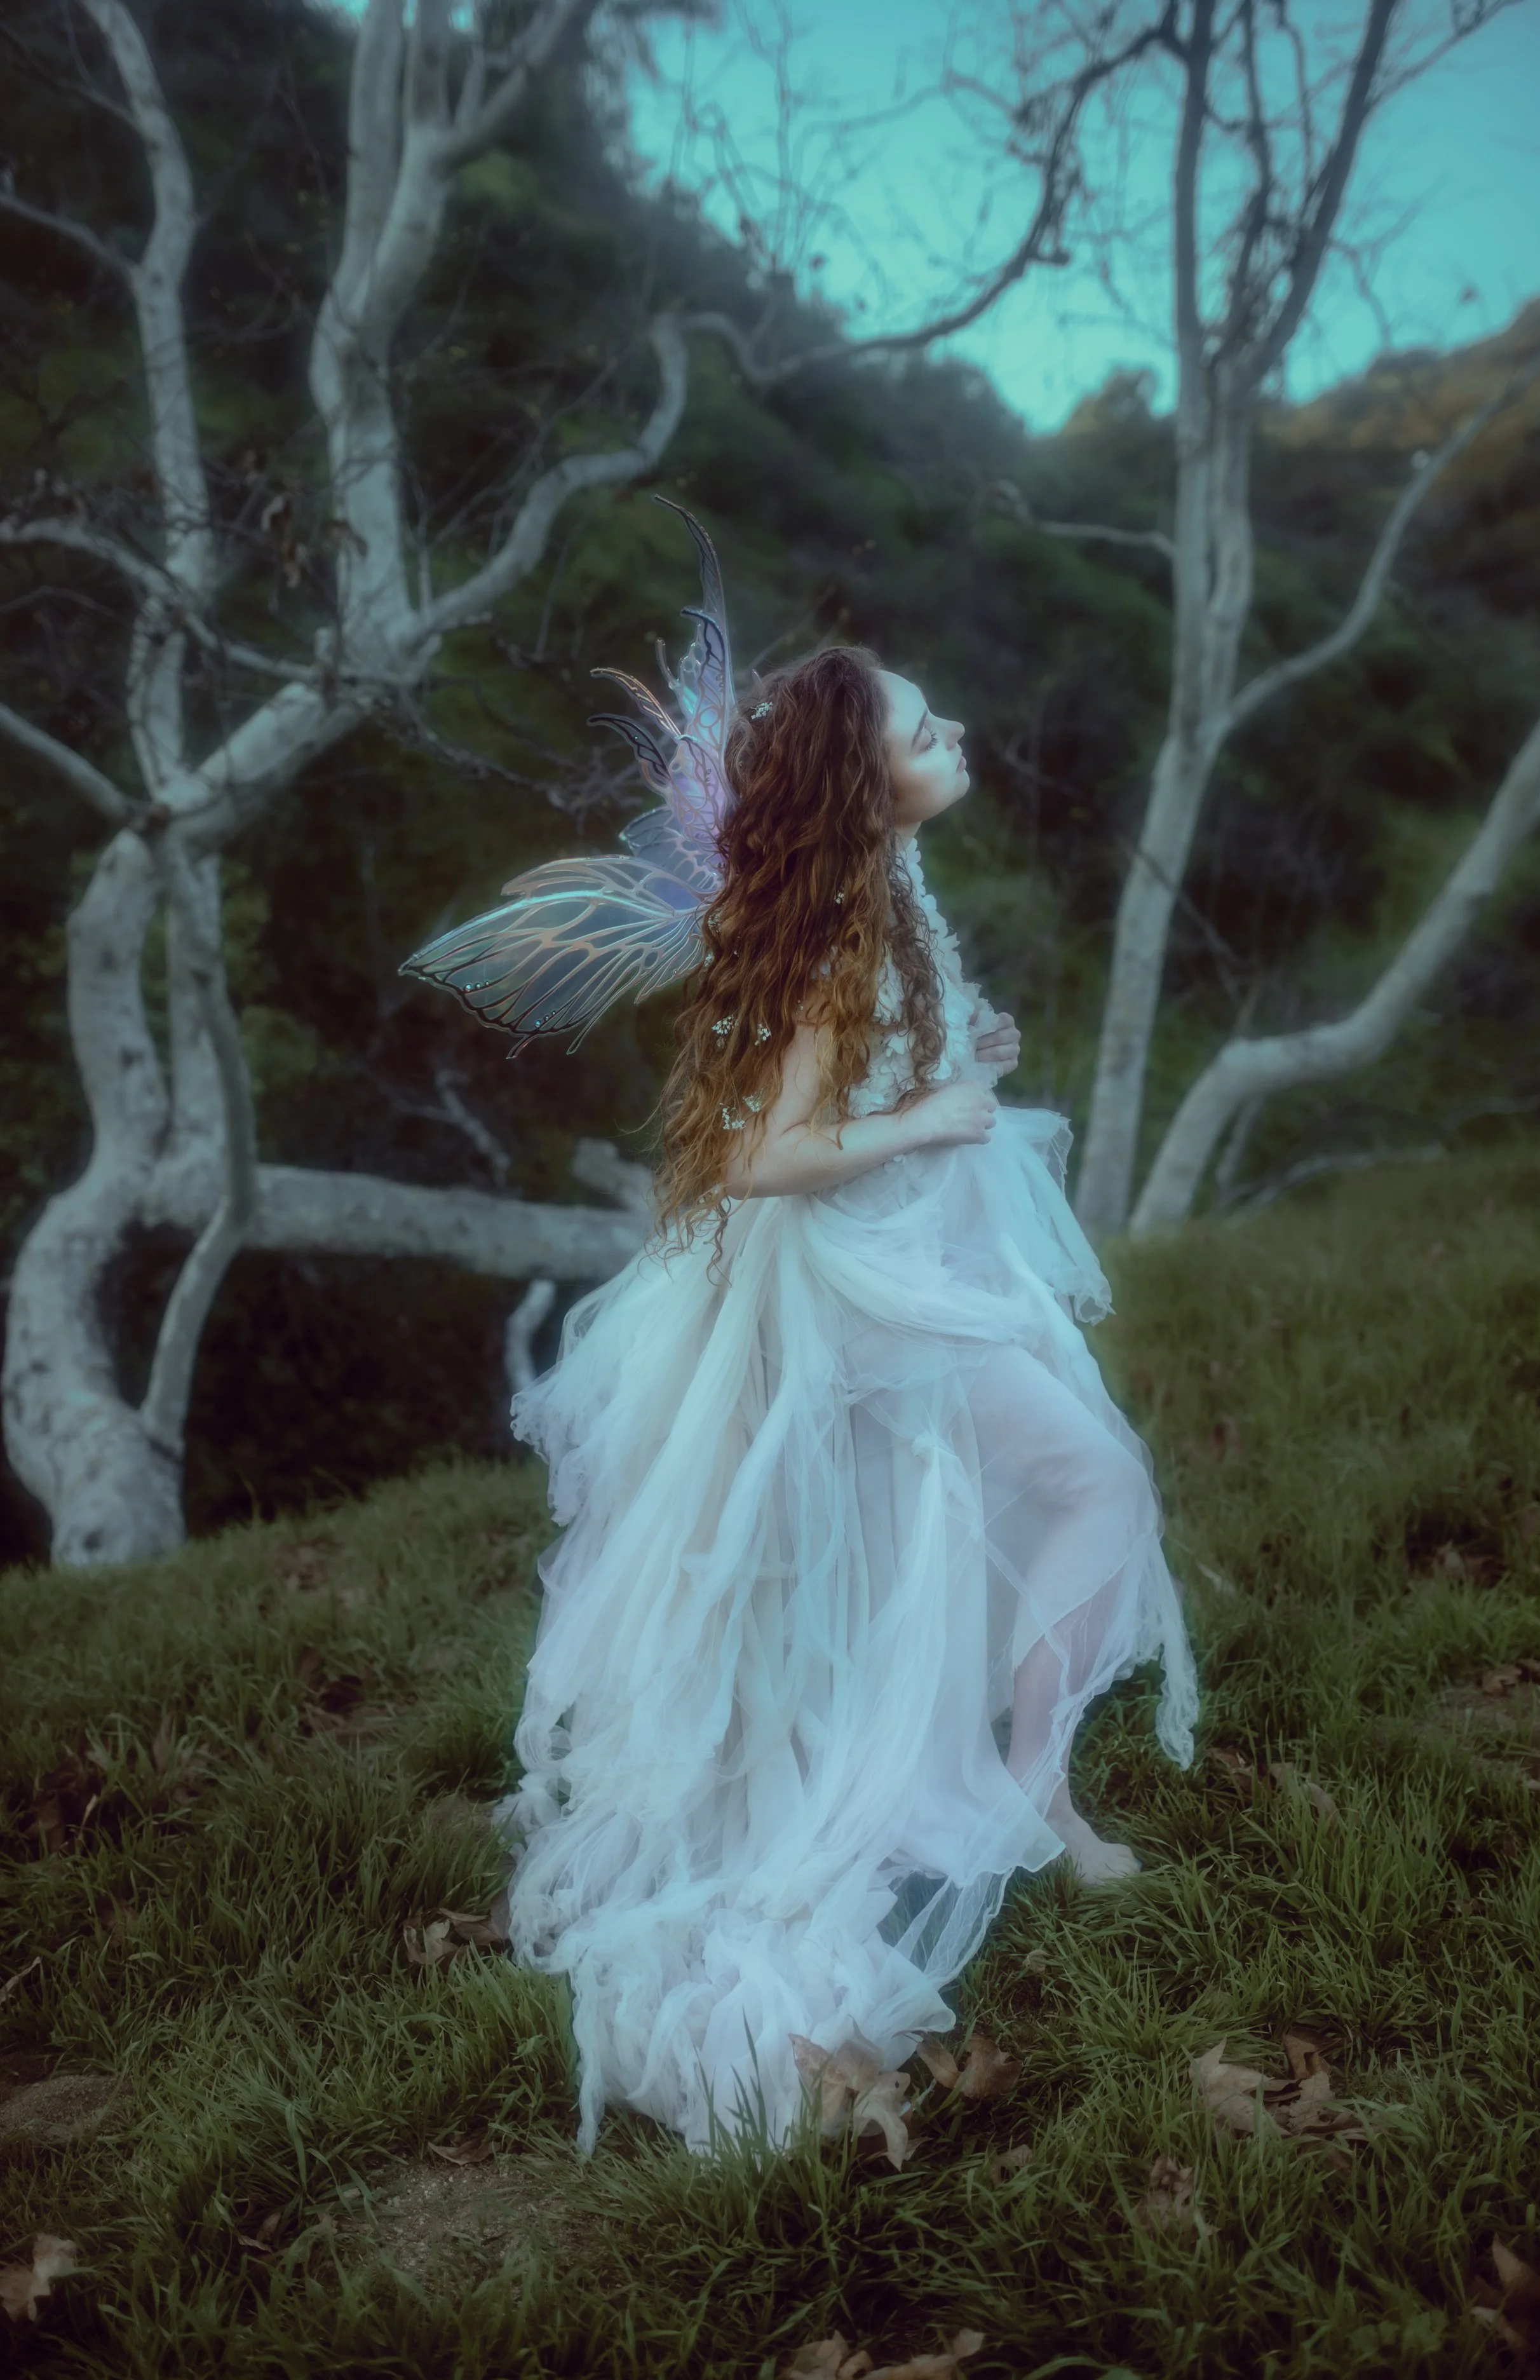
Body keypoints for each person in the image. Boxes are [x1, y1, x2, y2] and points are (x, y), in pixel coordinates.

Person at [403, 517, 1197, 2161]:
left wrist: (944, 1060)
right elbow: (765, 1157)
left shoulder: (877, 899)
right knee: (1092, 1485)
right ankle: (1025, 1787)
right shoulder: (837, 932)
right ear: (865, 779)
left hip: (903, 1275)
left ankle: (1003, 1772)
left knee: (958, 1532)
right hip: (869, 1296)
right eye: (921, 730)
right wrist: (932, 1118)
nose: (950, 740)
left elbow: (861, 1081)